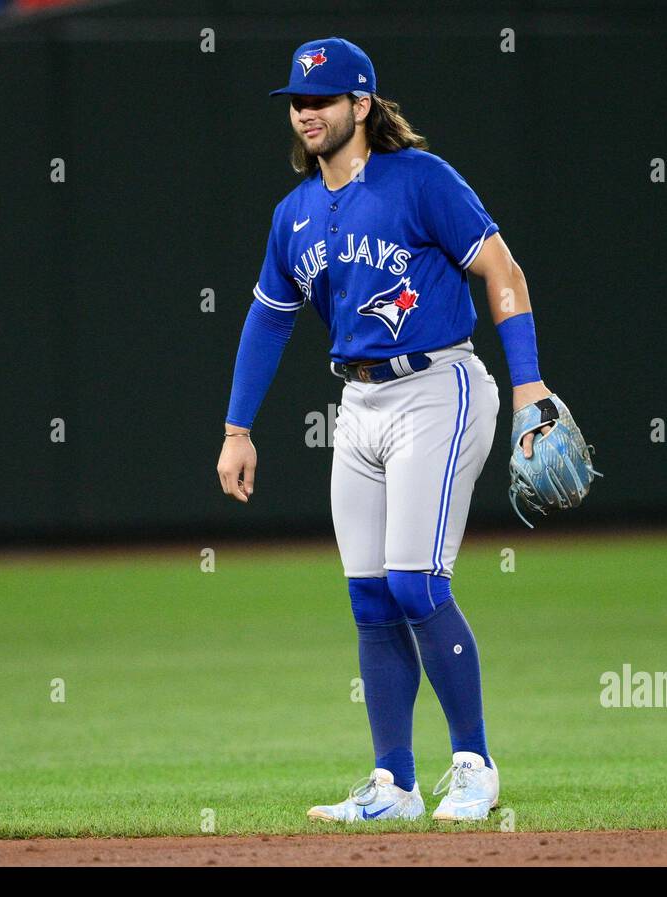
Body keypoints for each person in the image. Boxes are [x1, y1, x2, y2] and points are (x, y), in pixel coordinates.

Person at [217, 37, 552, 822]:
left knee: (415, 583)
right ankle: (393, 784)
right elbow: (268, 322)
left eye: (322, 100)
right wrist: (238, 428)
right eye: (298, 101)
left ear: (360, 107)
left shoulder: (419, 181)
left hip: (440, 385)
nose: (307, 112)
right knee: (369, 597)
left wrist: (530, 383)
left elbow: (503, 271)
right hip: (358, 407)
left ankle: (474, 764)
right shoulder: (293, 214)